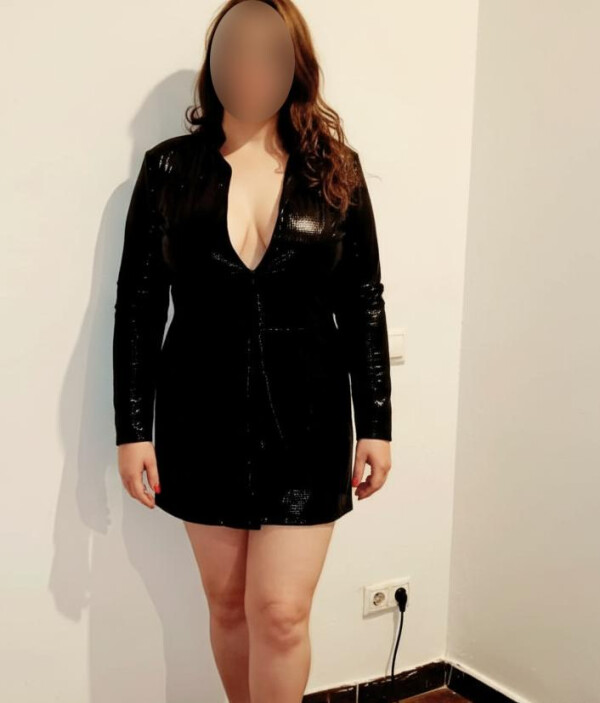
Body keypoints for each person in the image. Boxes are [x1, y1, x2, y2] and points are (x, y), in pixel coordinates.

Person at [112, 1, 392, 700]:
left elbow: (363, 300)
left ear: (295, 64)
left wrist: (377, 421)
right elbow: (139, 306)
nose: (250, 67)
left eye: (268, 53)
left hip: (309, 421)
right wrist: (132, 429)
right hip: (198, 416)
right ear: (215, 63)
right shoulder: (168, 169)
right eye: (234, 50)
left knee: (282, 613)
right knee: (229, 606)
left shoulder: (336, 171)